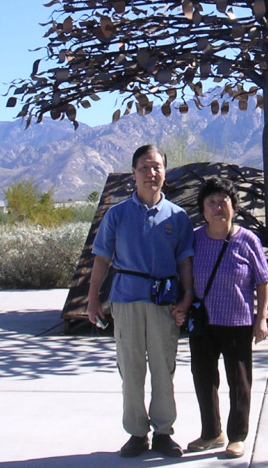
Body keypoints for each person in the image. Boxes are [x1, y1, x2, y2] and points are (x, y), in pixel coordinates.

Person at [86, 144, 195, 459]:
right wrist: (93, 299)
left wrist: (187, 298)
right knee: (131, 369)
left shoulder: (178, 216)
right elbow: (102, 259)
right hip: (126, 299)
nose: (151, 173)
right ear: (133, 173)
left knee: (164, 367)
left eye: (157, 167)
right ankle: (136, 432)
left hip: (165, 302)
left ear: (165, 173)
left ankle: (163, 431)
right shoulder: (117, 214)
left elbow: (185, 262)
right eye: (144, 167)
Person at [178, 177, 268, 459]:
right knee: (204, 379)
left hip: (237, 322)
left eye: (223, 201)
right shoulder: (195, 239)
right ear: (203, 209)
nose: (218, 207)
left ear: (234, 207)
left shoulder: (247, 240)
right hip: (203, 323)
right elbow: (185, 276)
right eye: (211, 202)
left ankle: (237, 437)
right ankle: (211, 433)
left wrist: (261, 319)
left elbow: (263, 282)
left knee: (239, 383)